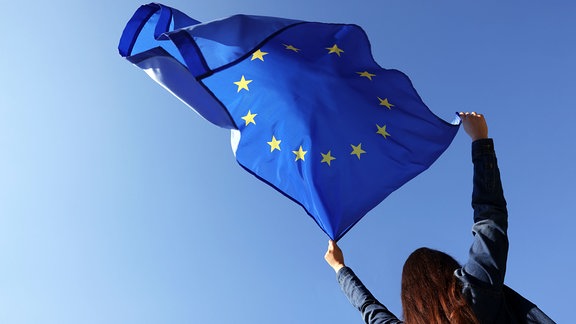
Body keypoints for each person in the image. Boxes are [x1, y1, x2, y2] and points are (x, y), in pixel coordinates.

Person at [324, 112, 554, 324]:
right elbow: (490, 220)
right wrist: (480, 141)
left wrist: (339, 268)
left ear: (409, 299)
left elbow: (369, 309)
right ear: (448, 273)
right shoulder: (475, 292)